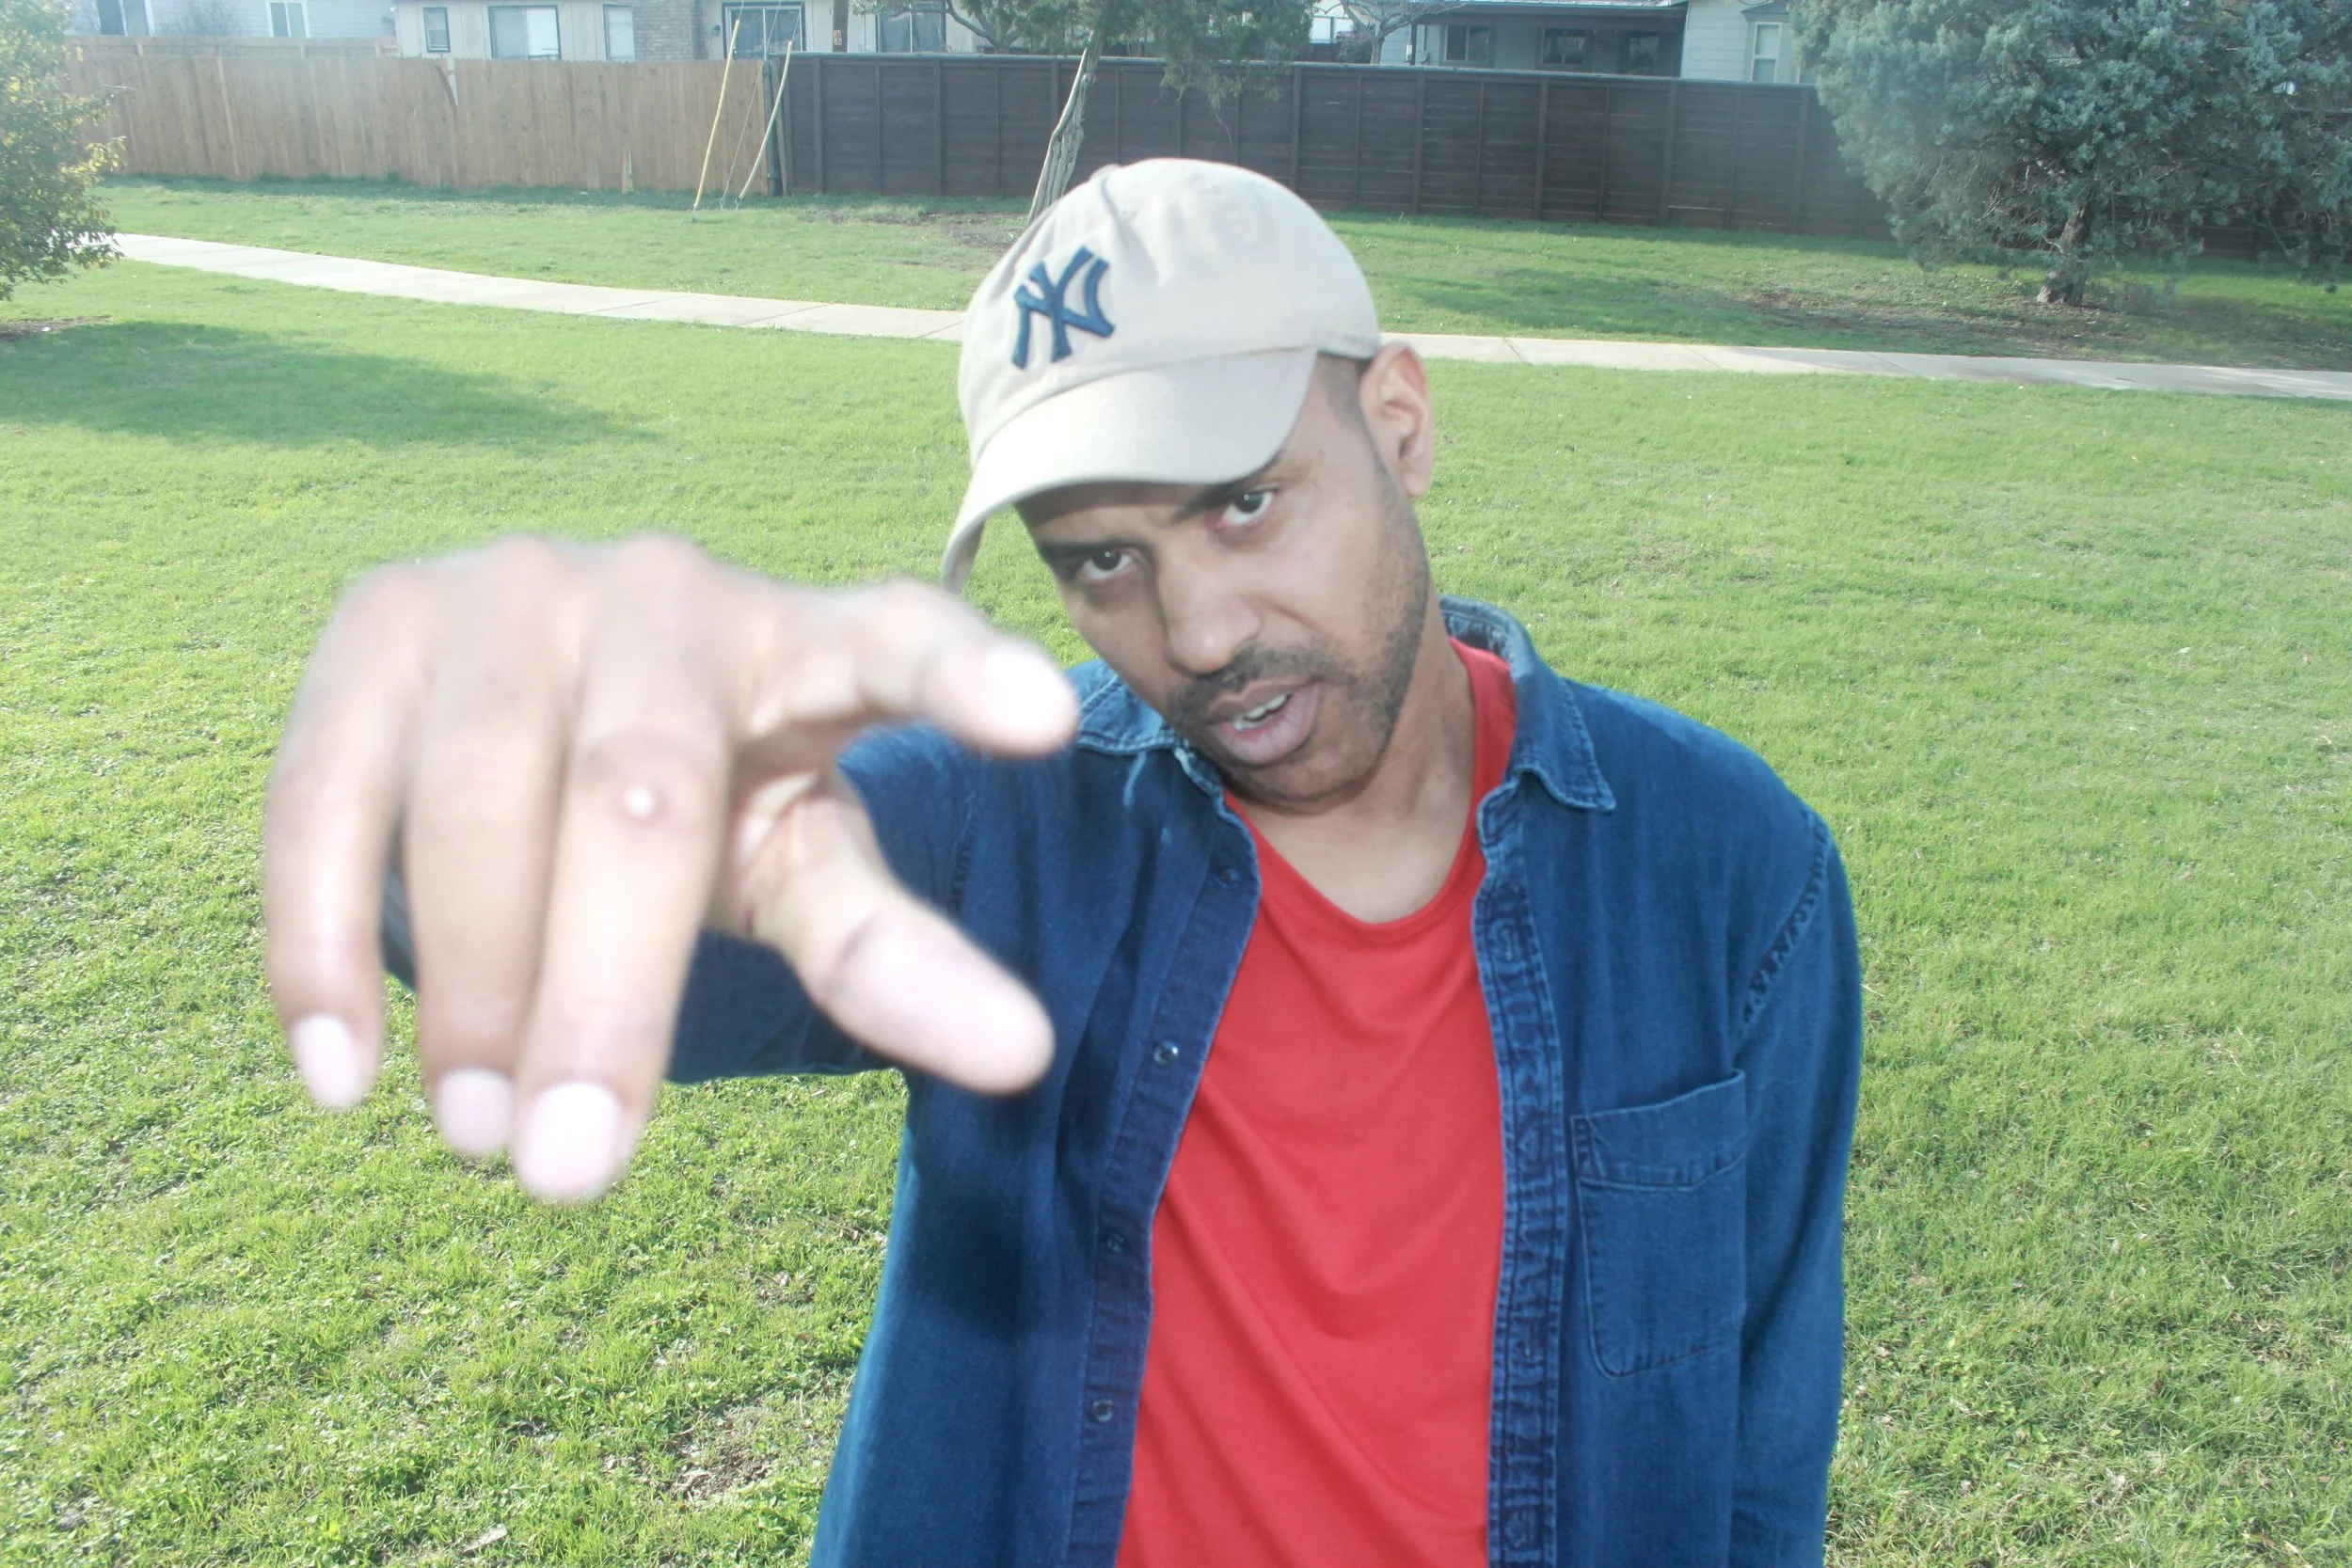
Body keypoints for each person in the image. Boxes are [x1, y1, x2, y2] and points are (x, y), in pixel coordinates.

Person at [264, 159, 1861, 1568]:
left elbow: (1757, 1449)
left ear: (1401, 421)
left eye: (1246, 503)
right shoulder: (1002, 821)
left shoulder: (1730, 872)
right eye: (1105, 560)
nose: (1201, 632)